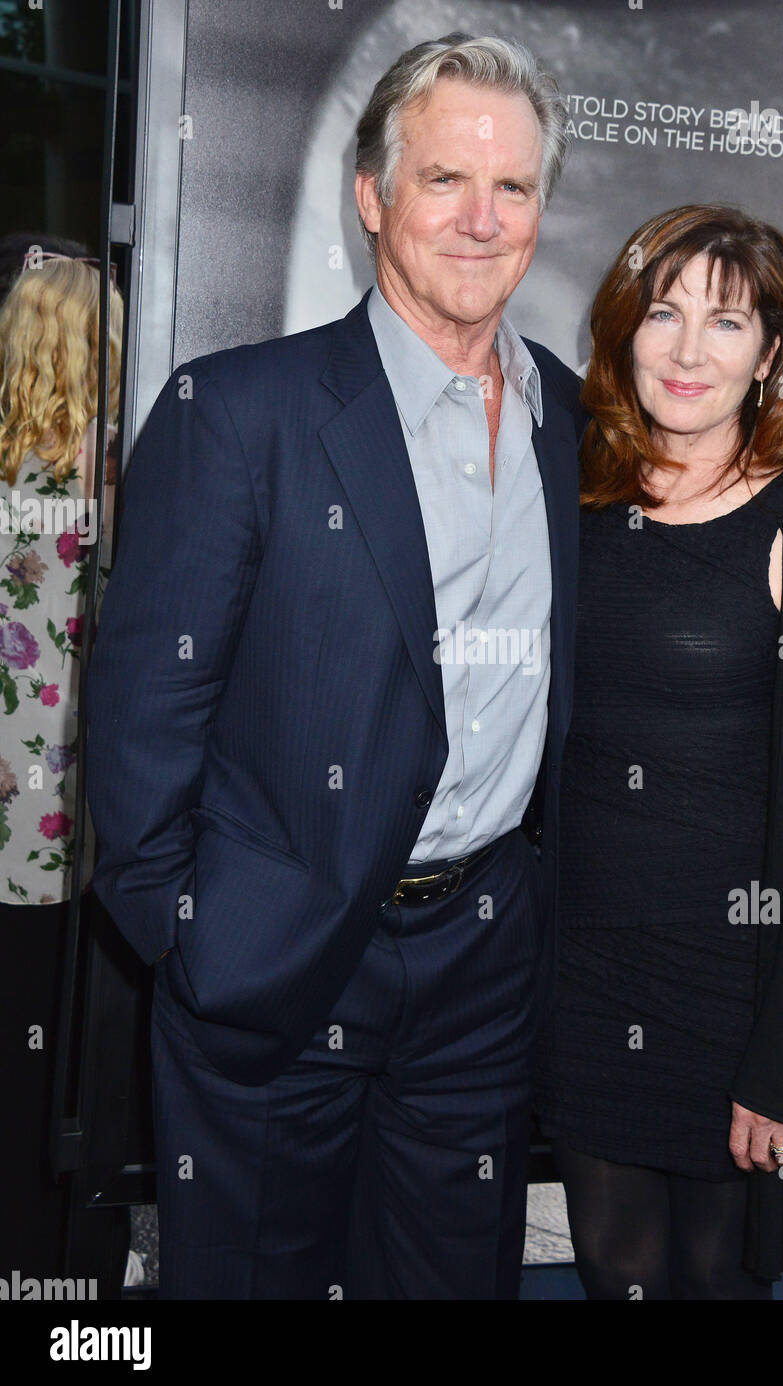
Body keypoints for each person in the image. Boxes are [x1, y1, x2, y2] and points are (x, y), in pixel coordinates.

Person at [85, 33, 584, 1300]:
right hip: (275, 966)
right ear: (372, 197)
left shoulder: (568, 420)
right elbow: (143, 723)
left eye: (513, 187)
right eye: (443, 181)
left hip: (479, 968)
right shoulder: (239, 414)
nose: (481, 219)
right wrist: (201, 943)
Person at [533, 204, 783, 1298]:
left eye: (725, 325)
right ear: (624, 329)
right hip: (585, 974)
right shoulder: (569, 494)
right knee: (615, 1269)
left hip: (731, 990)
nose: (686, 352)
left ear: (772, 353)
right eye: (663, 314)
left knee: (718, 1281)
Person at [0, 247, 122, 1271]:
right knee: (69, 1066)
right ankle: (59, 1274)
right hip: (86, 830)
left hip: (11, 824)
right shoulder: (121, 479)